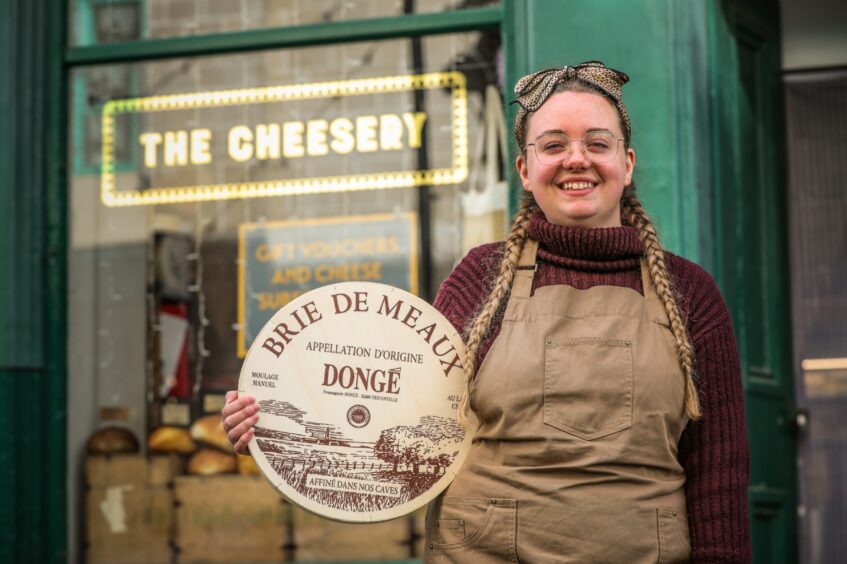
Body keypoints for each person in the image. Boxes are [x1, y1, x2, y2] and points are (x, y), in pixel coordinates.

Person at [222, 61, 751, 562]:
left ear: (627, 162)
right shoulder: (480, 278)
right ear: (525, 169)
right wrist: (277, 434)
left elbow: (719, 471)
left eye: (597, 143)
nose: (576, 159)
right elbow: (394, 420)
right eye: (553, 145)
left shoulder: (690, 293)